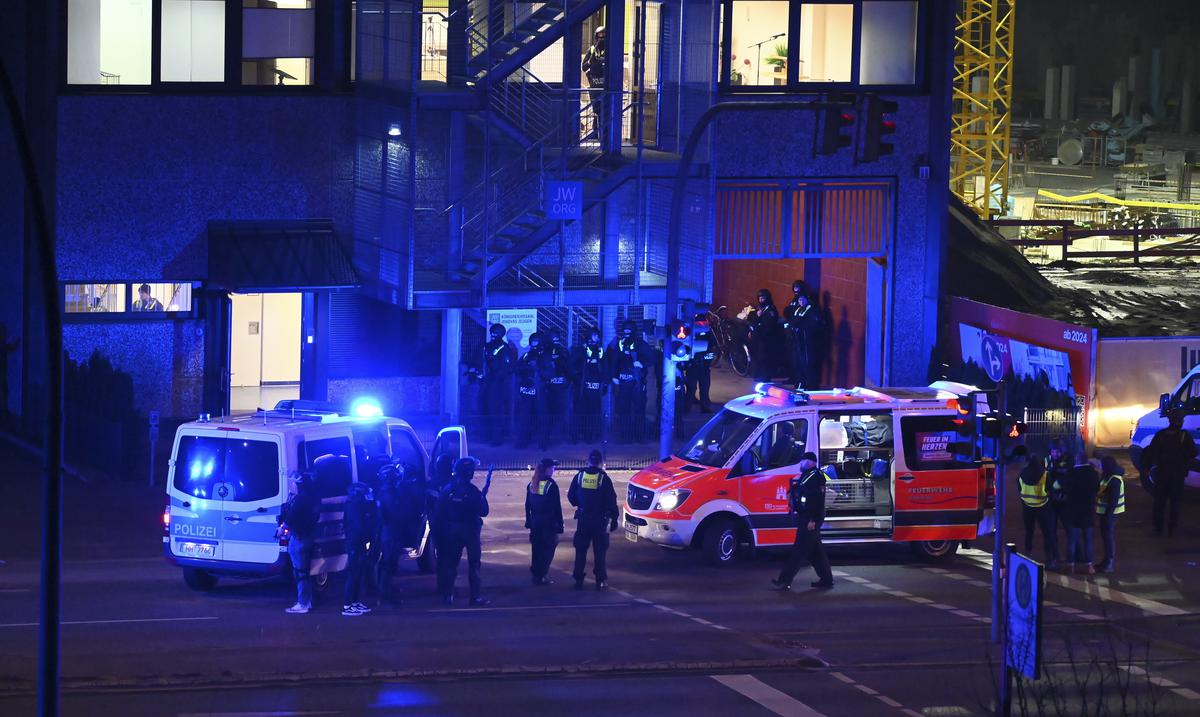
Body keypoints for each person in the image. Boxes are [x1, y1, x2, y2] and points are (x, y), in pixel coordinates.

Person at [435, 458, 493, 606]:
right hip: (470, 531)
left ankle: (448, 595)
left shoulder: (448, 489)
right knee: (474, 564)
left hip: (452, 530)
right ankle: (475, 596)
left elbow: (439, 510)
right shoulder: (472, 490)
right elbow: (484, 511)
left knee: (451, 564)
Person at [772, 452, 833, 590]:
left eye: (804, 460)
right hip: (808, 516)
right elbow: (801, 490)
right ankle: (827, 579)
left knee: (799, 550)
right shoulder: (809, 475)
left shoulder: (815, 476)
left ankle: (784, 580)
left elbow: (817, 500)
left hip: (810, 517)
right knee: (816, 551)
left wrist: (813, 520)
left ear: (811, 462)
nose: (801, 463)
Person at [1140, 409, 1197, 537]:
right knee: (1175, 502)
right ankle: (1172, 528)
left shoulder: (1161, 435)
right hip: (1177, 475)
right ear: (1180, 421)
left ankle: (1158, 527)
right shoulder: (1184, 436)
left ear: (1170, 420)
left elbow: (1150, 452)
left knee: (1160, 501)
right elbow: (1193, 452)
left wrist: (1146, 468)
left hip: (1162, 473)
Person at [567, 449, 619, 590]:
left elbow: (571, 496)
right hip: (600, 521)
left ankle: (578, 580)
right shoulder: (603, 478)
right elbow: (611, 501)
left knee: (580, 551)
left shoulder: (580, 476)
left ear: (588, 461)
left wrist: (581, 504)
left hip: (583, 519)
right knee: (600, 552)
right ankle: (600, 581)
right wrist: (614, 518)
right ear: (601, 463)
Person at [376, 462, 421, 606]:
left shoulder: (384, 492)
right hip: (391, 534)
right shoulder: (390, 495)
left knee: (388, 565)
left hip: (388, 533)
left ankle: (387, 594)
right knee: (388, 566)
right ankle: (385, 598)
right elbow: (400, 514)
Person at [280, 472, 322, 614]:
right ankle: (306, 601)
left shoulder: (301, 499)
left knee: (300, 571)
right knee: (304, 570)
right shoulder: (315, 497)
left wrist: (282, 528)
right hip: (309, 535)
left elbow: (292, 516)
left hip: (299, 536)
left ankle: (303, 603)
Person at [1013, 447, 1058, 569]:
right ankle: (1049, 559)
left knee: (1029, 532)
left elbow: (1020, 488)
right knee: (1047, 533)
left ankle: (1028, 554)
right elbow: (1051, 490)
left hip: (1027, 507)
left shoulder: (1022, 473)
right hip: (1043, 507)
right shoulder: (1045, 474)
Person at [608, 320, 651, 443]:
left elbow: (651, 358)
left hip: (638, 382)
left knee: (639, 409)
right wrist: (614, 376)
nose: (626, 332)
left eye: (629, 330)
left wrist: (641, 363)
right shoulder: (619, 343)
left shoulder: (641, 344)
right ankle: (624, 437)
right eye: (625, 330)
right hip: (623, 381)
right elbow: (614, 360)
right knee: (623, 410)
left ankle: (640, 437)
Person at [525, 458, 565, 585]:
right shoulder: (551, 485)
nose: (554, 470)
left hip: (535, 521)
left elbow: (527, 505)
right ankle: (541, 575)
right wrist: (560, 524)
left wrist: (528, 521)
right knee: (548, 548)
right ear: (547, 469)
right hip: (548, 523)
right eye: (553, 467)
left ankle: (536, 574)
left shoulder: (532, 484)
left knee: (536, 549)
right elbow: (556, 507)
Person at [1061, 452, 1100, 575]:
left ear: (1077, 461)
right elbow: (1097, 488)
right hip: (1088, 511)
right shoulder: (1093, 474)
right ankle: (1089, 566)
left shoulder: (1071, 473)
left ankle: (1070, 566)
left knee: (1072, 540)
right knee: (1088, 539)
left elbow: (1065, 488)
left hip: (1072, 511)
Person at [342, 482, 377, 616]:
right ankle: (347, 605)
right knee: (353, 573)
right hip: (355, 543)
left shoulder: (356, 504)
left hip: (358, 542)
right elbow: (359, 525)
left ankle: (355, 602)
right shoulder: (355, 505)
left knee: (358, 573)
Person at [479, 323, 515, 445]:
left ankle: (496, 439)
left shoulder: (504, 348)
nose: (493, 335)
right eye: (492, 332)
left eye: (496, 333)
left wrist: (494, 377)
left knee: (496, 411)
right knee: (485, 409)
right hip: (486, 383)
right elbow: (482, 362)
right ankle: (487, 436)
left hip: (497, 385)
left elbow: (505, 368)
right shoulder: (487, 346)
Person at [572, 328, 607, 442]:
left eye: (598, 336)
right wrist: (578, 379)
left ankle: (592, 435)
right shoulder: (580, 349)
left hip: (596, 387)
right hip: (582, 387)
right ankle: (576, 436)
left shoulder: (600, 350)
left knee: (595, 411)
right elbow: (572, 366)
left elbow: (604, 366)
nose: (598, 338)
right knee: (580, 411)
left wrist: (605, 383)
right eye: (595, 335)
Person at [783, 282, 819, 389]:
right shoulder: (798, 309)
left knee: (807, 362)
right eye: (799, 300)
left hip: (806, 341)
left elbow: (811, 324)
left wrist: (800, 327)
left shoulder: (811, 310)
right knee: (798, 362)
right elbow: (793, 320)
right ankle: (800, 382)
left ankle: (810, 384)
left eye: (803, 300)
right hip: (797, 340)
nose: (801, 302)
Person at [514, 333, 548, 449]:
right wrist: (527, 370)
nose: (533, 345)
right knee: (524, 417)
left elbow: (550, 373)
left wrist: (537, 368)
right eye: (532, 342)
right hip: (526, 392)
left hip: (540, 393)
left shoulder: (545, 357)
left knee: (541, 418)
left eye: (536, 342)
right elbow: (517, 369)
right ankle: (522, 442)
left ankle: (543, 444)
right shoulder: (525, 356)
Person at [1094, 453, 1125, 573]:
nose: (1100, 466)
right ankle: (1106, 561)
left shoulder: (1114, 480)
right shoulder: (1107, 476)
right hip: (1105, 513)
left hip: (1110, 514)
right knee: (1106, 537)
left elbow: (1113, 501)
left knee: (1108, 537)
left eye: (1101, 464)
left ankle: (1109, 562)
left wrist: (1108, 516)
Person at [544, 329, 572, 446]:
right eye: (553, 337)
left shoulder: (563, 350)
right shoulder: (545, 350)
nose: (555, 339)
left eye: (556, 337)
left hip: (560, 386)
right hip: (549, 387)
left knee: (561, 410)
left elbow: (568, 366)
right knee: (550, 411)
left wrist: (567, 380)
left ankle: (561, 434)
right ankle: (549, 435)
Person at [749, 289, 782, 382]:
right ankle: (758, 374)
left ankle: (765, 377)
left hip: (766, 338)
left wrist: (760, 319)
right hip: (758, 337)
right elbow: (753, 319)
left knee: (765, 358)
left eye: (763, 298)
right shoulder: (760, 308)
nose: (761, 300)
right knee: (758, 356)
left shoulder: (771, 309)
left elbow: (769, 323)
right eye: (759, 298)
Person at [581, 26, 607, 141]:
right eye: (599, 35)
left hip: (606, 85)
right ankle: (595, 133)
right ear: (596, 36)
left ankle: (605, 134)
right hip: (594, 85)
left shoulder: (610, 50)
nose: (601, 37)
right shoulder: (591, 50)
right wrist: (591, 60)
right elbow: (584, 67)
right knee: (596, 110)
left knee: (605, 110)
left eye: (603, 34)